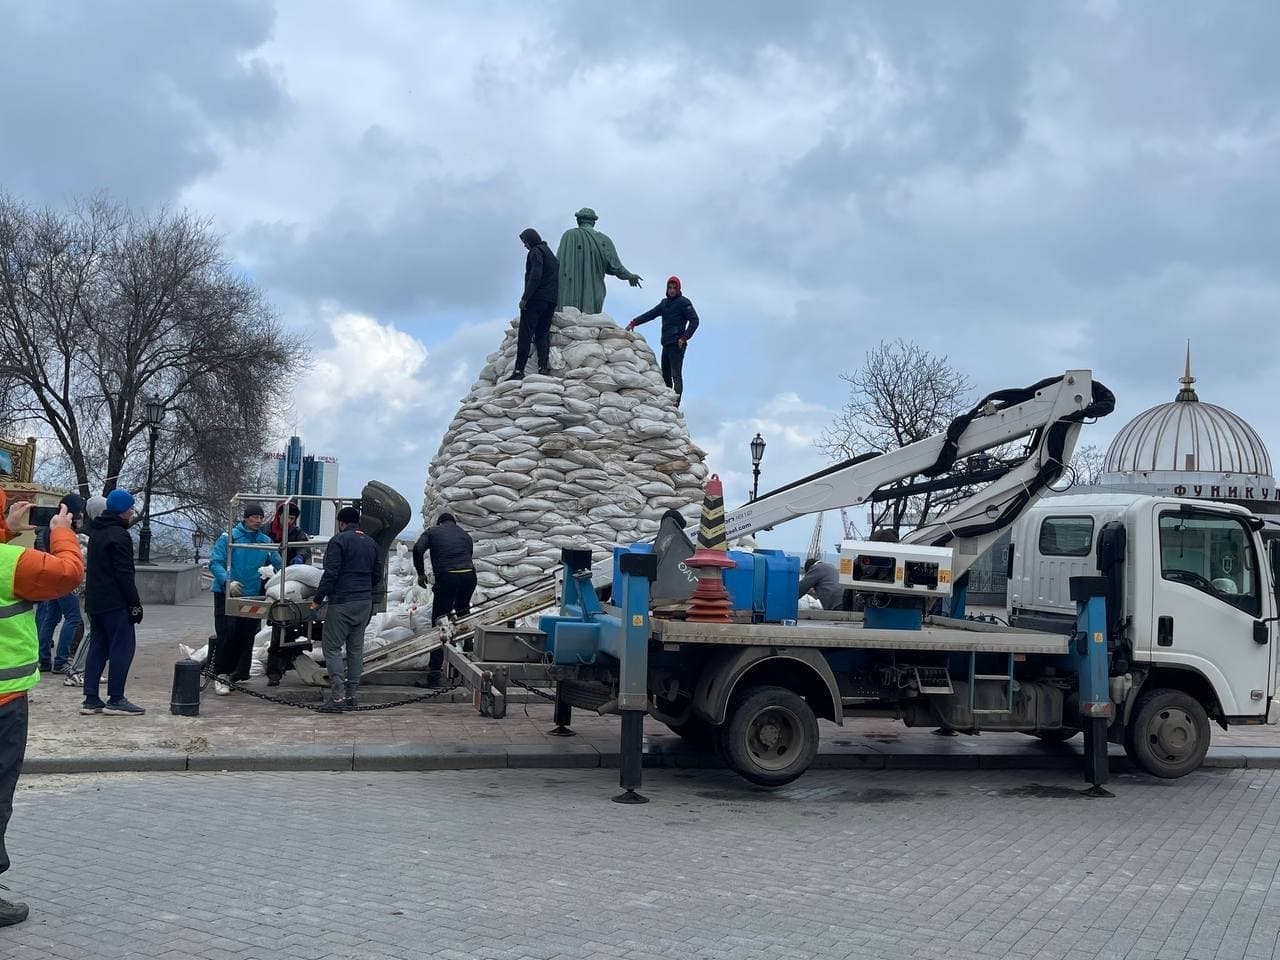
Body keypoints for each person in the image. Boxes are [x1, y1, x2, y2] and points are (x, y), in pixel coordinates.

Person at [0, 491, 83, 927]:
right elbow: (67, 574)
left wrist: (9, 529)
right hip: (4, 703)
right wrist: (63, 533)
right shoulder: (9, 565)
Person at [82, 489, 145, 716]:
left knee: (98, 646)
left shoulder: (97, 532)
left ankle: (90, 698)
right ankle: (116, 698)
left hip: (95, 601)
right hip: (116, 602)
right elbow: (124, 574)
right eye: (130, 508)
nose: (131, 512)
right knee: (122, 647)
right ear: (121, 511)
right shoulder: (119, 535)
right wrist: (134, 604)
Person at [310, 506, 379, 712]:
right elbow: (377, 575)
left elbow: (330, 574)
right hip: (364, 602)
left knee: (331, 648)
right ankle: (351, 696)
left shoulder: (338, 541)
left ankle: (337, 697)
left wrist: (316, 601)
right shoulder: (371, 543)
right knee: (355, 650)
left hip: (342, 602)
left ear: (341, 523)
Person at [208, 502, 280, 696]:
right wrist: (227, 582)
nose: (258, 521)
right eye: (254, 517)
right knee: (227, 632)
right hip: (227, 593)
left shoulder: (264, 541)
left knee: (247, 634)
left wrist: (283, 566)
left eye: (260, 517)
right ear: (246, 518)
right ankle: (221, 674)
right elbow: (215, 562)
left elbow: (278, 563)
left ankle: (239, 673)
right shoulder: (229, 538)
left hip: (252, 594)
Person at [412, 513, 476, 679]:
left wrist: (420, 574)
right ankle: (469, 652)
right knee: (463, 613)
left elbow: (418, 549)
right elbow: (469, 553)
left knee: (440, 621)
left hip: (447, 577)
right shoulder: (464, 534)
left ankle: (435, 670)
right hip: (469, 576)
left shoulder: (432, 532)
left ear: (440, 522)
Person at [626, 275, 700, 406]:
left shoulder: (684, 302)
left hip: (677, 344)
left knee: (675, 374)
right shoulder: (664, 304)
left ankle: (675, 403)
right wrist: (634, 322)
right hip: (666, 343)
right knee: (665, 374)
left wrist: (684, 337)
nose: (671, 290)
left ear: (678, 289)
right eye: (669, 287)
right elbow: (651, 314)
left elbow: (695, 321)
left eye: (674, 288)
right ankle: (667, 399)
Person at [34, 492, 86, 673]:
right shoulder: (66, 531)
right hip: (65, 578)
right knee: (72, 618)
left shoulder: (49, 530)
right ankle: (61, 660)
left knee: (51, 618)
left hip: (51, 578)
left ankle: (44, 659)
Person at [555, 208, 642, 314]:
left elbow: (557, 264)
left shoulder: (568, 235)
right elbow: (616, 266)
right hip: (594, 292)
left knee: (568, 316)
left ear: (578, 221)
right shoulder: (603, 239)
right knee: (591, 319)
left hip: (569, 292)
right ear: (594, 222)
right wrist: (630, 276)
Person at [265, 500, 311, 686]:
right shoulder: (268, 531)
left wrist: (299, 557)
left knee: (282, 627)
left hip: (290, 583)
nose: (290, 521)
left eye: (293, 518)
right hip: (268, 579)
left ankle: (276, 670)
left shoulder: (297, 533)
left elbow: (303, 547)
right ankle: (278, 666)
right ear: (279, 515)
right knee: (276, 626)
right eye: (287, 516)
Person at [509, 228, 559, 380]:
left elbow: (536, 276)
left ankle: (518, 371)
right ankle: (543, 368)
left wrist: (525, 298)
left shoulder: (535, 252)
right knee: (542, 335)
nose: (524, 245)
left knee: (525, 335)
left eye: (525, 241)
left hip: (536, 299)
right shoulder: (550, 254)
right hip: (551, 300)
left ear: (530, 240)